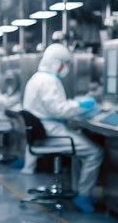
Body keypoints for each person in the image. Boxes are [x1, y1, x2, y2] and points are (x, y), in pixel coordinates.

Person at [21, 43, 103, 213]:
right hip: (52, 132)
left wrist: (76, 105)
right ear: (58, 63)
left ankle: (78, 189)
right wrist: (83, 104)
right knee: (95, 152)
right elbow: (58, 109)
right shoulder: (48, 81)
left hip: (46, 131)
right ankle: (83, 195)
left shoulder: (37, 78)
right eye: (65, 64)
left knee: (79, 150)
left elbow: (54, 107)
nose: (65, 68)